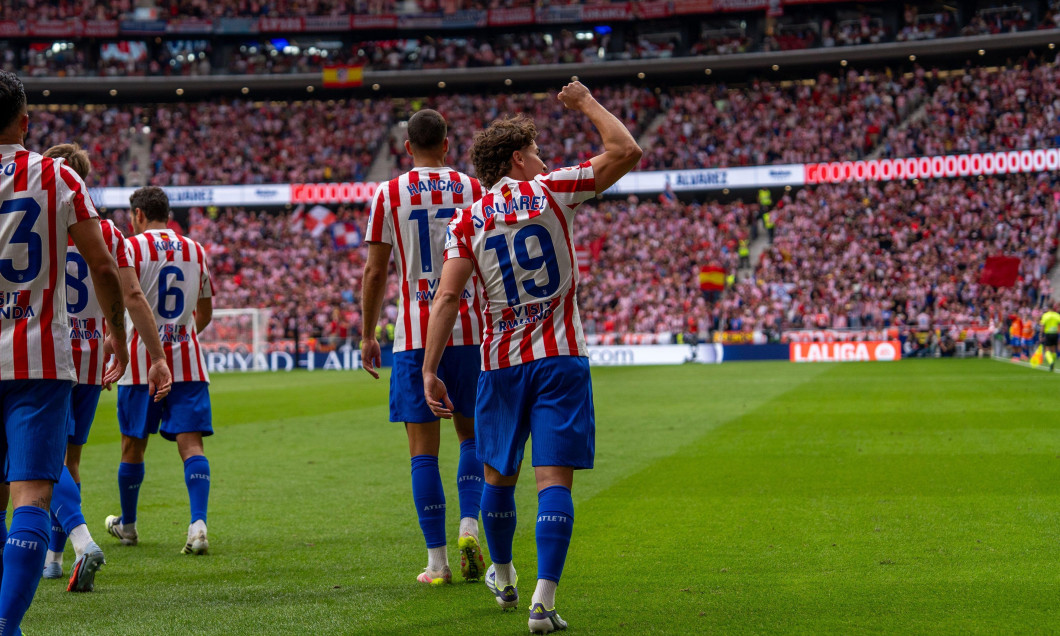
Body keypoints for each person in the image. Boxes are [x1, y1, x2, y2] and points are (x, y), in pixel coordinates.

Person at [422, 81, 641, 633]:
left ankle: (504, 573)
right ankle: (543, 600)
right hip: (562, 357)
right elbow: (626, 151)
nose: (544, 158)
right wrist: (586, 103)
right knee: (554, 481)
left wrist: (430, 368)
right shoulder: (552, 190)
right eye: (537, 152)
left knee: (498, 478)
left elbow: (447, 296)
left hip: (500, 364)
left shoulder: (467, 220)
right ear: (519, 159)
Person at [0, 70, 129, 634]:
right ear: (26, 122)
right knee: (32, 491)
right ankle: (8, 627)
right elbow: (102, 265)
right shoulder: (57, 177)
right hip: (41, 359)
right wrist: (119, 336)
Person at [361, 109, 487, 585]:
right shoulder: (475, 190)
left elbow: (375, 271)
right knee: (472, 437)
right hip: (471, 329)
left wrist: (369, 333)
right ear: (448, 146)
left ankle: (437, 564)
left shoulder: (388, 193)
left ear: (407, 148)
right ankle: (470, 525)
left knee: (423, 453)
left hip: (415, 336)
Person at [39, 144, 173, 592]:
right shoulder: (112, 235)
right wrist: (153, 355)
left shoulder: (42, 222)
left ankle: (78, 544)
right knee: (69, 459)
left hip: (51, 353)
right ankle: (54, 559)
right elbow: (133, 296)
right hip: (95, 354)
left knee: (47, 460)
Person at [104, 186, 215, 555]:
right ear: (167, 214)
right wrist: (182, 337)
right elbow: (206, 312)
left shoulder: (131, 248)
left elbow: (125, 302)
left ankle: (130, 526)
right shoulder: (196, 250)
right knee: (192, 443)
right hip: (188, 361)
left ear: (137, 215)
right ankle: (198, 525)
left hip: (141, 364)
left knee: (132, 445)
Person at [1040, 305, 1060, 371]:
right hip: (1055, 333)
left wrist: (1041, 335)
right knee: (1054, 349)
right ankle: (1053, 363)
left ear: (1048, 308)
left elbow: (1043, 326)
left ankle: (1051, 362)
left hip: (1048, 333)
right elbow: (1059, 324)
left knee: (1047, 349)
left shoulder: (1045, 315)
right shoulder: (1057, 315)